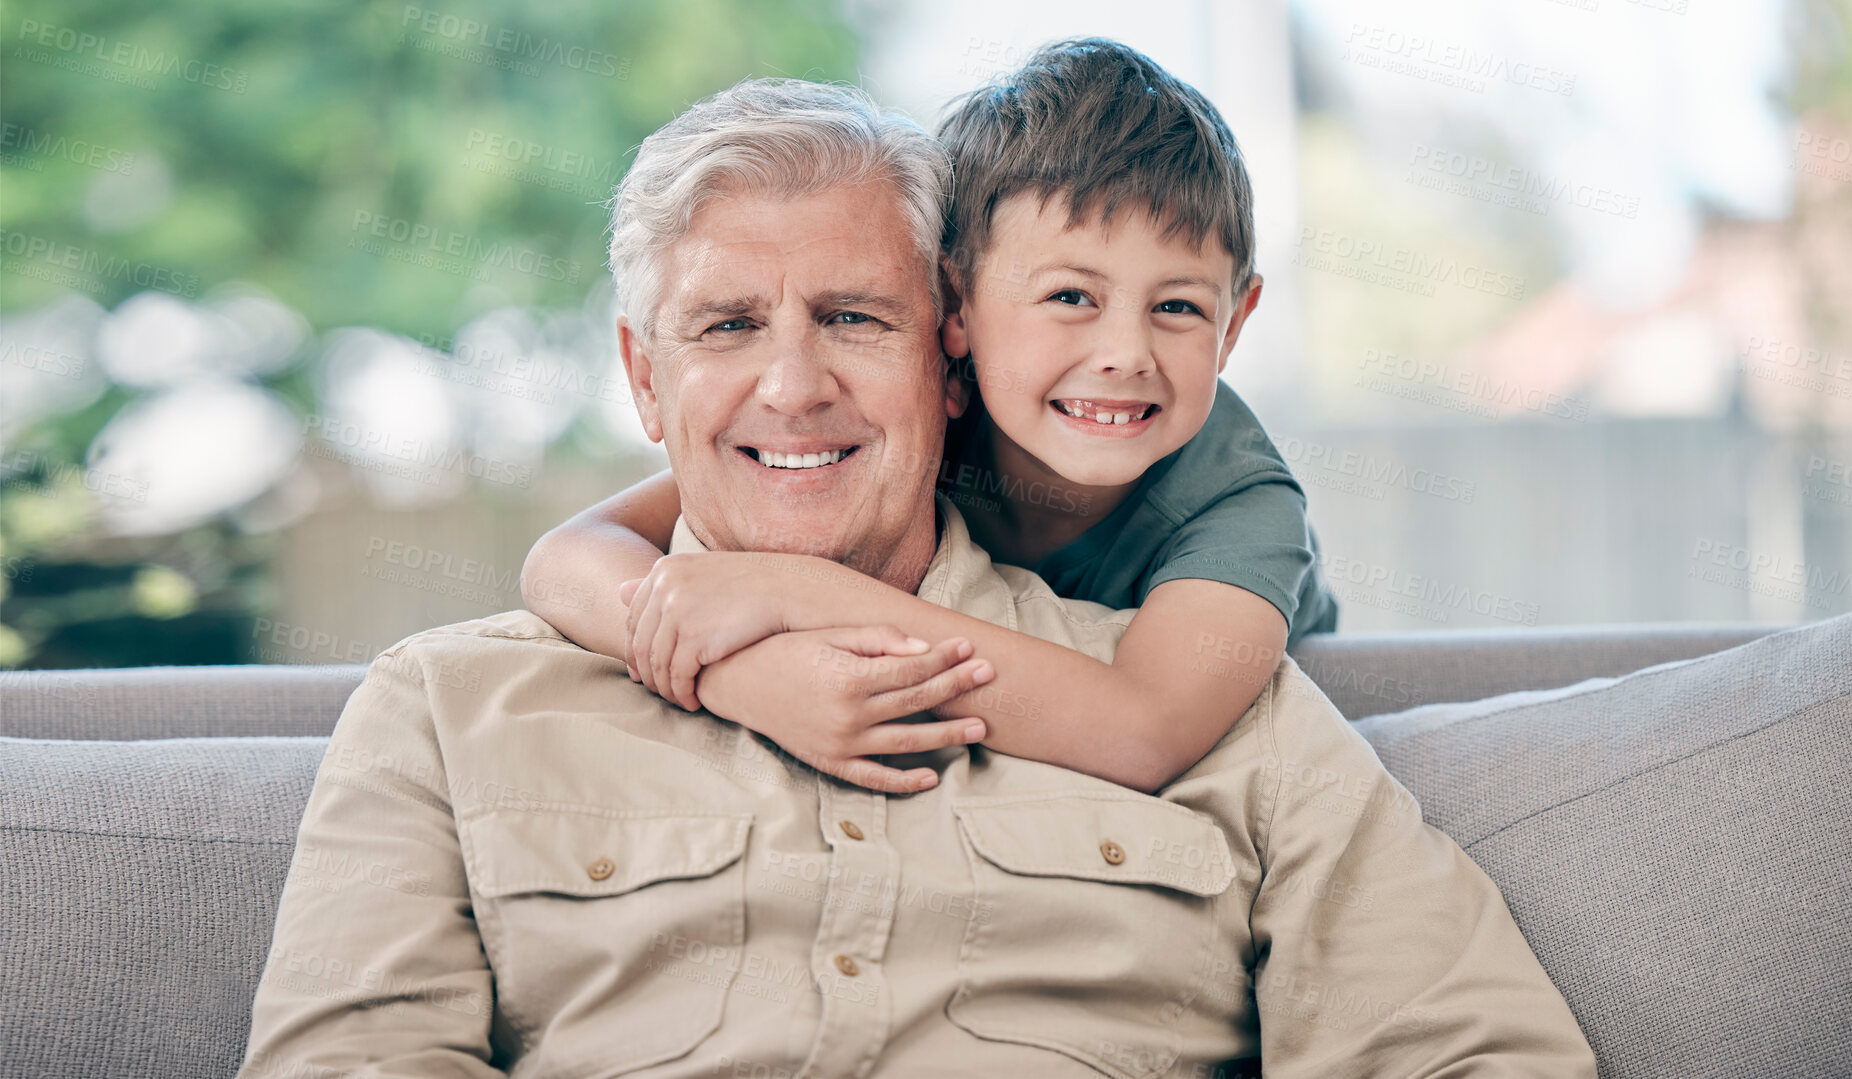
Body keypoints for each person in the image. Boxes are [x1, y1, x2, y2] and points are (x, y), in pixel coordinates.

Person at [239, 76, 1595, 1078]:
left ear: (948, 357)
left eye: (853, 318)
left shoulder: (1212, 676)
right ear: (645, 378)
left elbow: (1476, 1052)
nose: (794, 384)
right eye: (726, 326)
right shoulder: (445, 707)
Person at [521, 40, 1337, 795]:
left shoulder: (1242, 504)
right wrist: (748, 678)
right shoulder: (920, 411)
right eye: (1069, 297)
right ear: (956, 309)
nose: (1125, 353)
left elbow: (1143, 729)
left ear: (1235, 322)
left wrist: (801, 592)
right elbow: (566, 559)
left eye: (1178, 307)